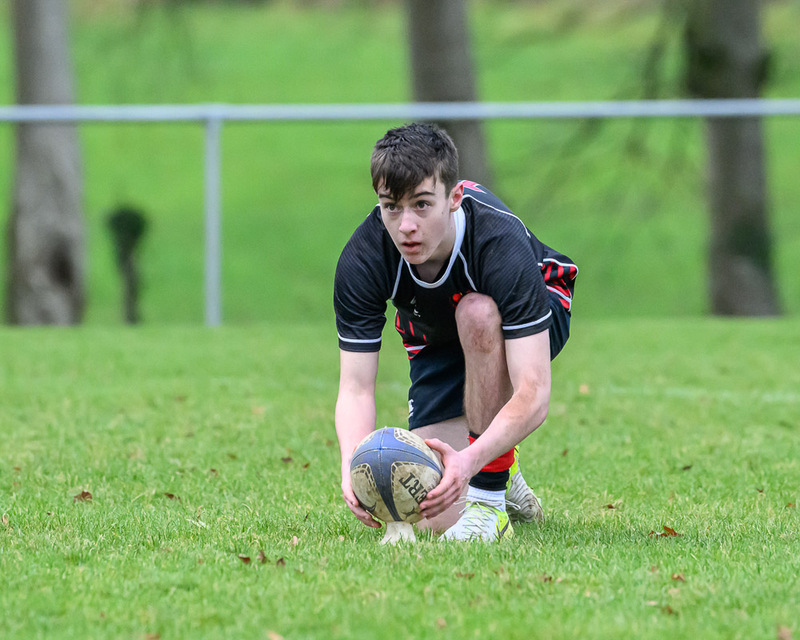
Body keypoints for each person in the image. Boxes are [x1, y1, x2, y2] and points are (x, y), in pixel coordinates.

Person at [334, 123, 577, 542]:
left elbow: (534, 394)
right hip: (436, 336)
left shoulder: (498, 242)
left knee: (477, 314)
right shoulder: (364, 257)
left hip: (533, 309)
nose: (406, 225)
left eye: (422, 205)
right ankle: (504, 466)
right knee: (429, 512)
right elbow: (355, 388)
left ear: (454, 197)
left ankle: (490, 500)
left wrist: (471, 463)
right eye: (391, 207)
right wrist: (351, 468)